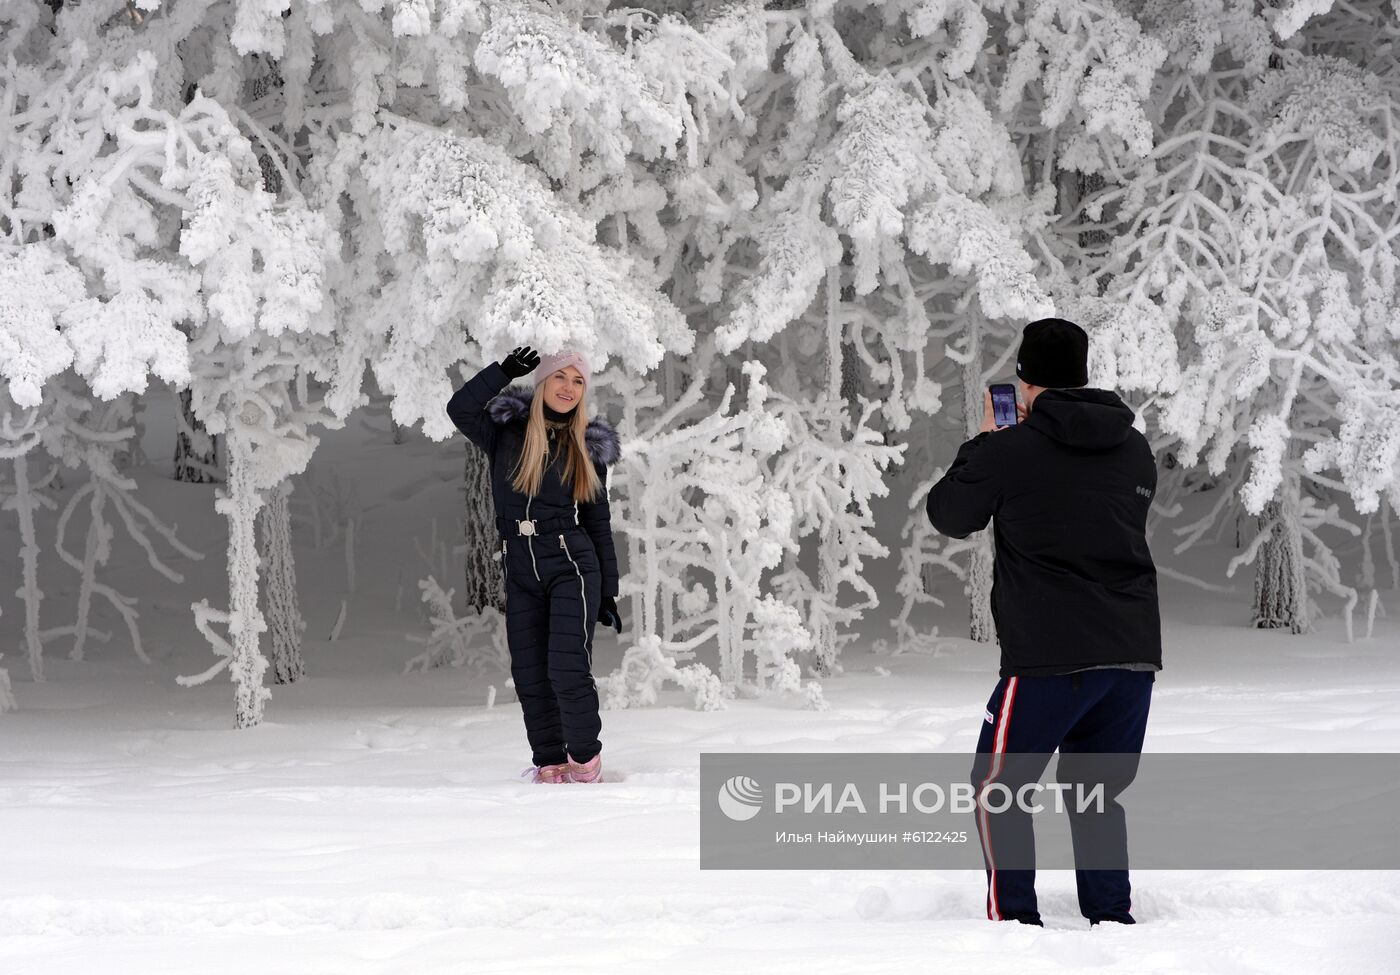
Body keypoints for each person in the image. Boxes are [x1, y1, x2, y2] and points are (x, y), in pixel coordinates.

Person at [925, 318, 1162, 927]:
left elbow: (951, 515)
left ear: (1025, 385)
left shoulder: (1009, 449)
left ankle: (1014, 923)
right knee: (1097, 792)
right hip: (1131, 654)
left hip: (1048, 657)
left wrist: (984, 442)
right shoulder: (1133, 446)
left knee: (998, 787)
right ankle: (1112, 920)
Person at [447, 346, 623, 784]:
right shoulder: (506, 434)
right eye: (560, 377)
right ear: (543, 381)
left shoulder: (586, 447)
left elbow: (598, 523)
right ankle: (550, 762)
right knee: (529, 672)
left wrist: (607, 591)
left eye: (578, 381)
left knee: (566, 667)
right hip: (521, 570)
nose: (568, 388)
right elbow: (460, 408)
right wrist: (503, 372)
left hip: (571, 564)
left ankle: (585, 762)